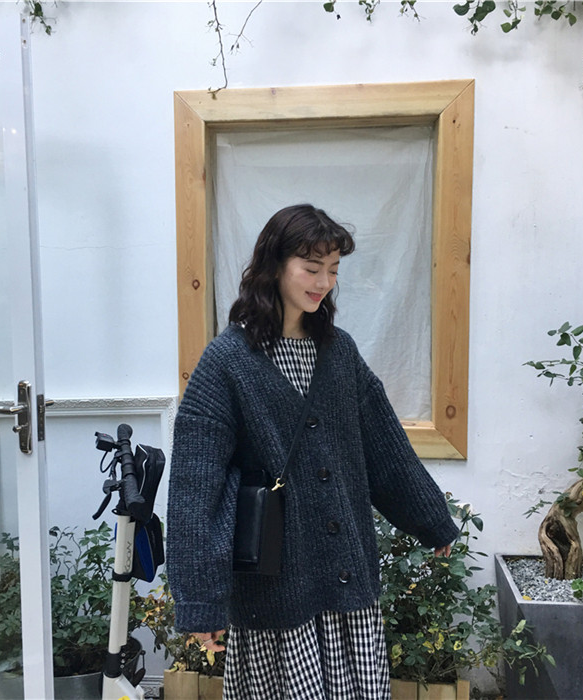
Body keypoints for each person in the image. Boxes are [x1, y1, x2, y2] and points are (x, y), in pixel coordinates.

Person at [166, 204, 459, 699]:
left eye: (334, 270)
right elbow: (196, 487)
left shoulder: (339, 352)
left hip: (345, 578)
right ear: (275, 265)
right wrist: (201, 602)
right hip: (276, 590)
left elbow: (385, 446)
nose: (324, 282)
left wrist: (431, 519)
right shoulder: (227, 362)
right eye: (311, 267)